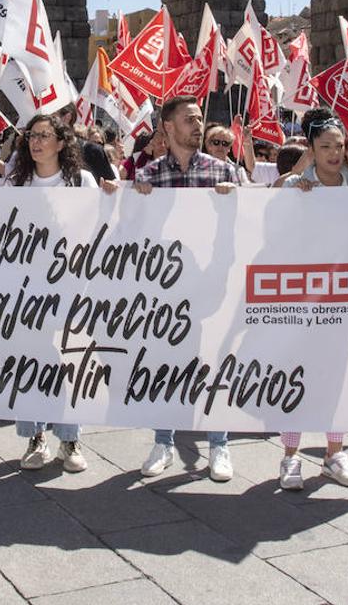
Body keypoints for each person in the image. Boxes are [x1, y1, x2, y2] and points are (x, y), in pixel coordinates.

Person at [0, 113, 117, 472]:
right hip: (25, 287)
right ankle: (34, 437)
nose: (35, 142)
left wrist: (113, 200)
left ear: (61, 142)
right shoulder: (15, 182)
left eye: (43, 135)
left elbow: (99, 225)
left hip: (70, 285)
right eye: (31, 136)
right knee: (30, 360)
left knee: (67, 362)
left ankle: (69, 440)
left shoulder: (80, 181)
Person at [134, 95, 239, 481]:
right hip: (166, 289)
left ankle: (219, 445)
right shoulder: (148, 177)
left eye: (199, 119)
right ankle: (163, 441)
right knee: (166, 366)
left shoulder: (222, 173)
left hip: (213, 285)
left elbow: (244, 228)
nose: (198, 125)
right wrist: (127, 199)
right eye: (189, 119)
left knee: (212, 363)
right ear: (168, 127)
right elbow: (136, 235)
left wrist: (233, 203)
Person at [276, 107, 348, 490]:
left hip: (342, 297)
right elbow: (268, 228)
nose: (334, 152)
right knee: (296, 374)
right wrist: (292, 193)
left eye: (340, 145)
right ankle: (290, 457)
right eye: (325, 146)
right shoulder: (293, 187)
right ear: (311, 149)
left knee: (338, 375)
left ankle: (334, 453)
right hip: (300, 296)